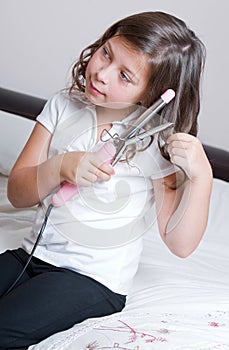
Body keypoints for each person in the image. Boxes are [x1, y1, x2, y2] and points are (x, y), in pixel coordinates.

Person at [0, 11, 213, 349]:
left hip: (91, 281)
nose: (101, 73)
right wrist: (58, 167)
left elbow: (180, 243)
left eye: (125, 75)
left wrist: (203, 178)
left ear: (154, 94)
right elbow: (18, 193)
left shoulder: (155, 143)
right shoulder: (63, 106)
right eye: (106, 53)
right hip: (30, 255)